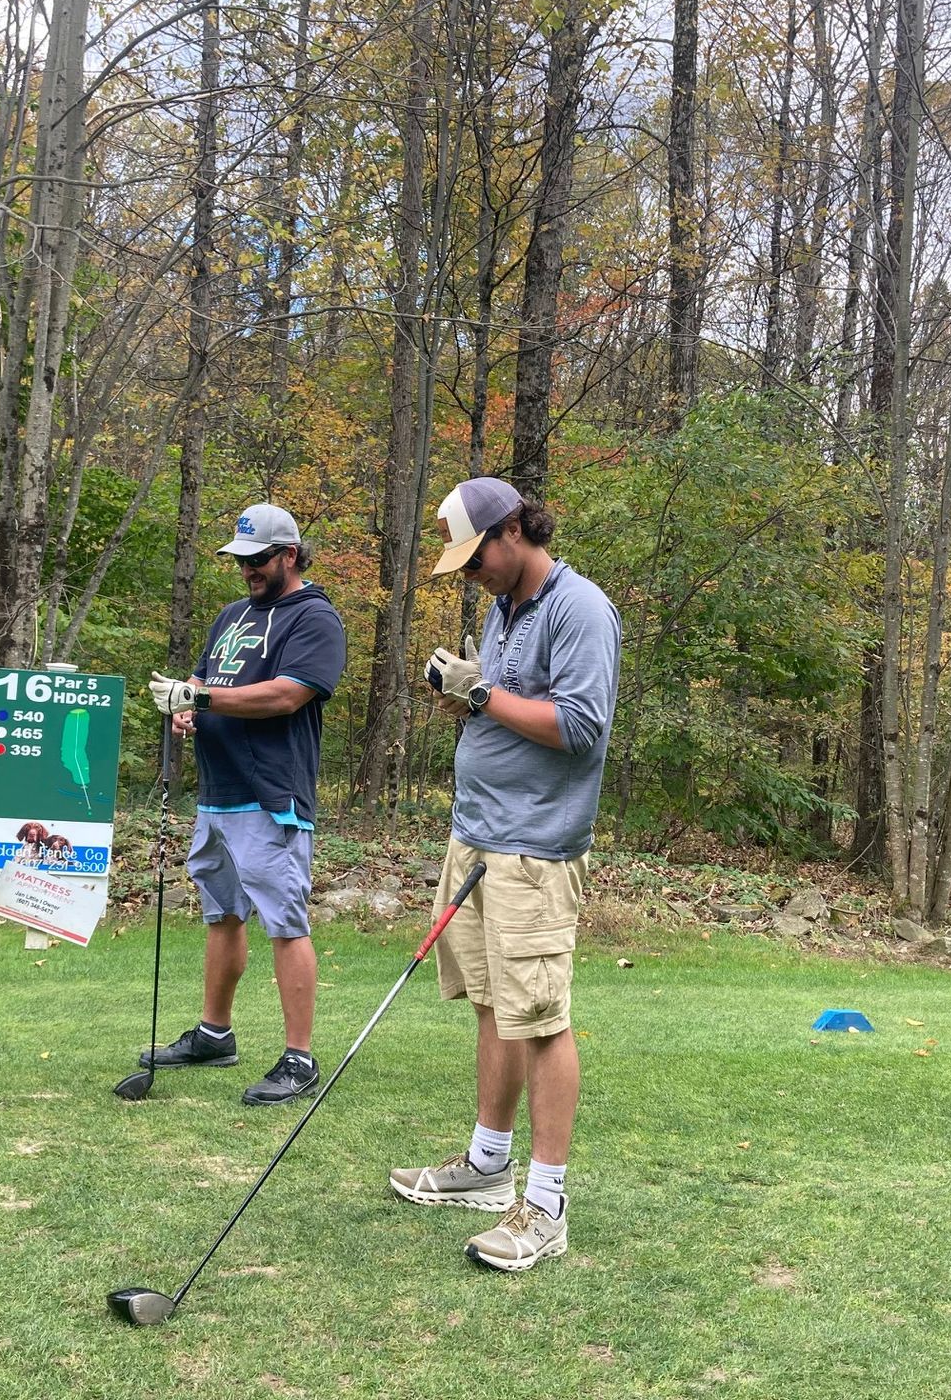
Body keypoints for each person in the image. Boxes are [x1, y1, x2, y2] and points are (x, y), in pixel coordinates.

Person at [389, 476, 620, 1271]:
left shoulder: (579, 608)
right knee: (492, 1003)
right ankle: (488, 1166)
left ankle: (546, 1207)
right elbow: (507, 706)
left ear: (514, 529)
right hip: (478, 837)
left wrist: (481, 693)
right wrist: (463, 695)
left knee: (542, 1017)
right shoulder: (504, 608)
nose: (472, 574)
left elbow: (581, 727)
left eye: (476, 556)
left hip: (535, 850)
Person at [141, 503, 348, 1105]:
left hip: (271, 795)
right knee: (222, 915)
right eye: (240, 560)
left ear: (290, 555)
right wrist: (185, 707)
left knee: (285, 920)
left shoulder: (315, 618)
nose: (248, 570)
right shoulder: (231, 616)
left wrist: (201, 699)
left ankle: (299, 1058)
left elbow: (286, 696)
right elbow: (205, 683)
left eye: (258, 560)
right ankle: (215, 1034)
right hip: (219, 793)